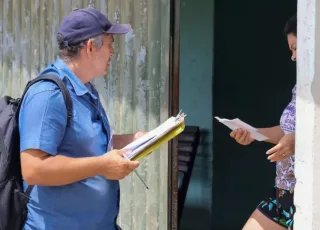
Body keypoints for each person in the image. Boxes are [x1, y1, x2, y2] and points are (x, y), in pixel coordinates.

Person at [19, 8, 145, 230]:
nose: (113, 52)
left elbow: (87, 146)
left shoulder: (84, 89)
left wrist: (136, 140)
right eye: (109, 44)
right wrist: (102, 166)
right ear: (90, 47)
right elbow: (33, 168)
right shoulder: (49, 95)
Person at [230, 14, 297, 230]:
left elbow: (297, 137)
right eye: (291, 50)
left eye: (296, 48)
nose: (293, 57)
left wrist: (300, 141)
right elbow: (286, 132)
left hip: (312, 195)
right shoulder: (302, 89)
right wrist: (253, 134)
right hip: (284, 192)